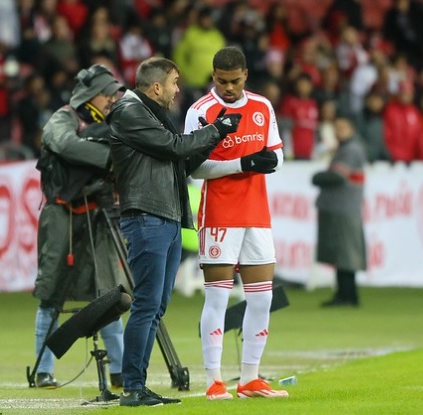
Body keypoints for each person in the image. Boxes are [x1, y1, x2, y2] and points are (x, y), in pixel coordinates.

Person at [107, 57, 241, 407]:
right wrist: (216, 129)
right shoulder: (129, 112)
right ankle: (132, 387)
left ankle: (138, 384)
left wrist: (214, 136)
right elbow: (175, 147)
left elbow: (182, 162)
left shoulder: (150, 115)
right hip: (147, 217)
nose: (177, 89)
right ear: (156, 87)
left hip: (164, 216)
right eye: (174, 83)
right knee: (147, 304)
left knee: (156, 306)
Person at [183, 46, 288, 401]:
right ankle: (214, 380)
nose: (228, 88)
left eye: (235, 81)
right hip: (220, 213)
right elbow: (195, 168)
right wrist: (242, 164)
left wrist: (271, 162)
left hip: (257, 214)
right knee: (218, 297)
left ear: (246, 75)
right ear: (213, 76)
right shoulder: (200, 111)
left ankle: (250, 379)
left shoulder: (262, 106)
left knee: (262, 298)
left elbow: (277, 153)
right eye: (222, 81)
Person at [32, 64, 128, 389]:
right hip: (62, 214)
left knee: (108, 293)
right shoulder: (64, 117)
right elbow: (64, 144)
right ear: (91, 95)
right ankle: (43, 369)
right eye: (107, 94)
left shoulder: (111, 122)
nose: (112, 100)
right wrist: (111, 156)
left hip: (100, 213)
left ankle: (120, 369)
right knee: (52, 293)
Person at [312, 114, 367, 307]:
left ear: (352, 129)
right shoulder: (347, 149)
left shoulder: (350, 149)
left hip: (343, 207)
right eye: (336, 127)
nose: (338, 131)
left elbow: (338, 176)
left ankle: (347, 295)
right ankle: (346, 294)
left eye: (342, 127)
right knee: (343, 253)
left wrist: (317, 177)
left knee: (344, 253)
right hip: (343, 207)